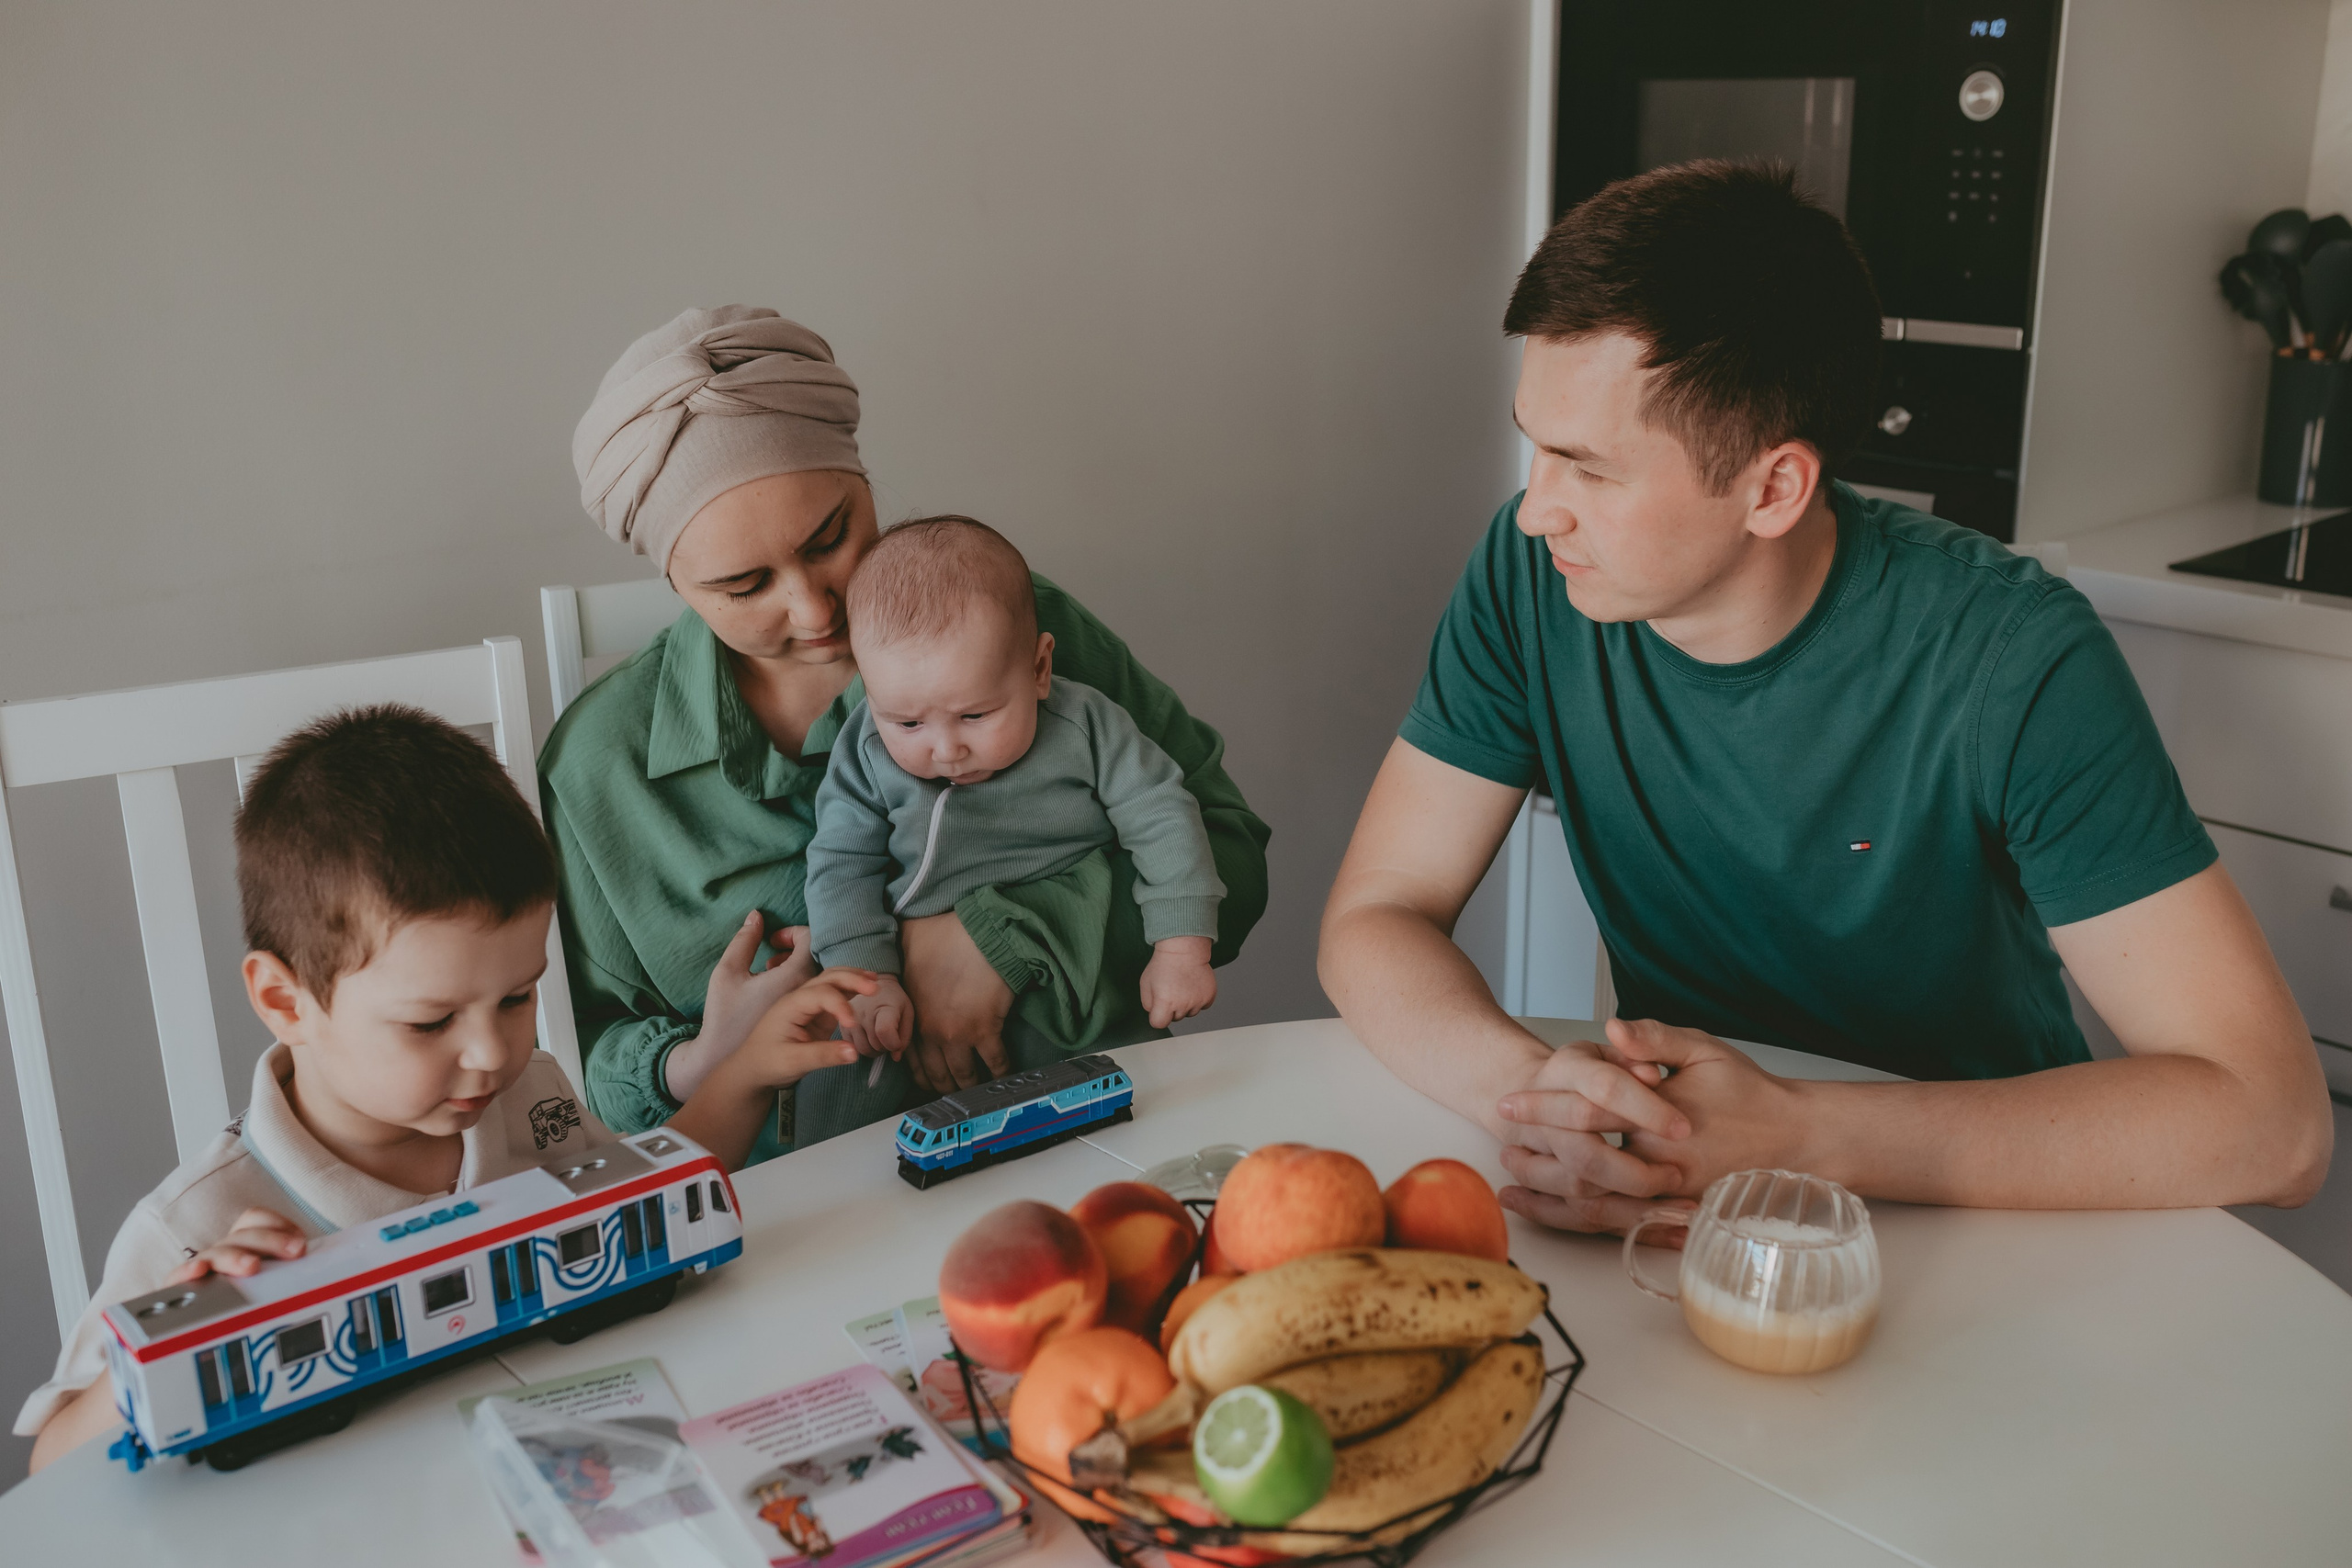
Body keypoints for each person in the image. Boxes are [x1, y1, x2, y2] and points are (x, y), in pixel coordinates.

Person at [1317, 161, 2332, 1236]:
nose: (1536, 512)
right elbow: (1377, 914)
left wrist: (1796, 1134)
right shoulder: (1534, 579)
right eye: (1536, 447)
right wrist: (1535, 1101)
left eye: (1589, 469)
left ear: (1772, 488)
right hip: (1700, 1201)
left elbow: (2273, 1125)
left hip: (1995, 1209)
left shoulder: (2013, 657)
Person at [20, 706, 869, 1472]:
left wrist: (750, 1067)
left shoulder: (528, 1097)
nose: (489, 1054)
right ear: (286, 1001)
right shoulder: (192, 1229)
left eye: (516, 997)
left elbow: (645, 1199)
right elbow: (51, 1462)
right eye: (430, 1024)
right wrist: (175, 1329)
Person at [548, 307, 1268, 1166]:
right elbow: (580, 1075)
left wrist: (1009, 940)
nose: (818, 611)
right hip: (810, 1213)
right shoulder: (600, 769)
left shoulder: (1004, 621)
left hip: (1084, 1140)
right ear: (673, 578)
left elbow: (1231, 851)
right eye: (744, 585)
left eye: (832, 538)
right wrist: (696, 1055)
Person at [807, 515, 1224, 1060]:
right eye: (907, 723)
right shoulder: (864, 747)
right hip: (906, 987)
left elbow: (1163, 816)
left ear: (1039, 668)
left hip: (1071, 979)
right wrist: (863, 975)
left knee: (1124, 1074)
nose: (945, 749)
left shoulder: (1086, 729)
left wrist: (1180, 949)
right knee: (849, 1071)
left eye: (975, 714)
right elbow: (840, 861)